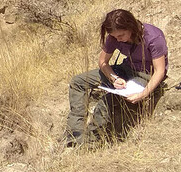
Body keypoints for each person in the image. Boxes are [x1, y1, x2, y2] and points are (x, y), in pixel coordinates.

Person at [66, 9, 168, 146]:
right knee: (78, 82)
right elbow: (103, 61)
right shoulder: (114, 37)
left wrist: (142, 94)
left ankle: (89, 142)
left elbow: (159, 71)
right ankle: (75, 134)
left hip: (145, 74)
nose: (118, 39)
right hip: (124, 69)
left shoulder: (153, 37)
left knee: (107, 101)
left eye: (121, 35)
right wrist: (113, 77)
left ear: (131, 27)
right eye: (114, 36)